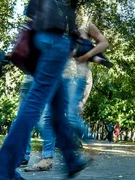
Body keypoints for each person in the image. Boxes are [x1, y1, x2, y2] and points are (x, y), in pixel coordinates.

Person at [0, 0, 95, 180]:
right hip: (56, 40)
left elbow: (31, 8)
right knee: (34, 104)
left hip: (42, 38)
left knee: (57, 105)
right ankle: (1, 171)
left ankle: (71, 159)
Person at [26, 22, 108, 172]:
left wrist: (86, 56)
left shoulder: (86, 24)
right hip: (58, 75)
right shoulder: (58, 23)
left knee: (70, 116)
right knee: (46, 117)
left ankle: (90, 143)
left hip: (77, 77)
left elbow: (104, 43)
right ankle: (47, 159)